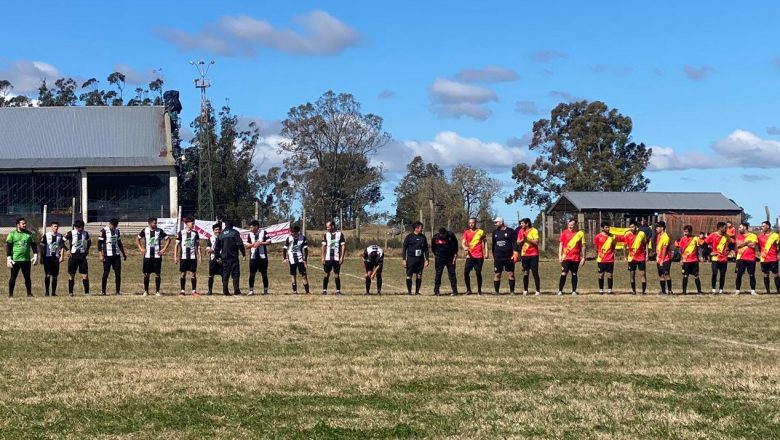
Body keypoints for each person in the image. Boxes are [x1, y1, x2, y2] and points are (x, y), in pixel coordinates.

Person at [136, 217, 170, 296]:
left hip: (157, 256)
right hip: (147, 256)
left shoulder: (159, 231)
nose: (156, 224)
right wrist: (141, 248)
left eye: (156, 223)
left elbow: (168, 239)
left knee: (157, 274)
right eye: (154, 223)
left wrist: (163, 249)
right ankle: (146, 291)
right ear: (149, 223)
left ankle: (157, 291)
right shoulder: (145, 230)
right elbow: (137, 239)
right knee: (146, 274)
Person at [6, 217, 37, 297]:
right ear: (18, 225)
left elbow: (33, 245)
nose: (25, 225)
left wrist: (35, 255)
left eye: (25, 223)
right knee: (13, 277)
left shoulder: (29, 234)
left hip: (26, 260)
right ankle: (10, 294)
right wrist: (8, 258)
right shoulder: (12, 234)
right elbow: (9, 246)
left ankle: (29, 293)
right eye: (23, 223)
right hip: (15, 260)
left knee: (27, 277)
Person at [213, 220, 245, 296]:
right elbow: (240, 244)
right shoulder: (235, 232)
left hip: (224, 258)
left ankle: (225, 291)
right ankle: (236, 291)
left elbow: (217, 248)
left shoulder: (221, 234)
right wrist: (243, 253)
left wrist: (217, 257)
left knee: (225, 275)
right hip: (233, 257)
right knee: (235, 274)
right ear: (232, 226)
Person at [98, 218, 126, 296]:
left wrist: (123, 253)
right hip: (107, 255)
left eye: (115, 226)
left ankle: (117, 291)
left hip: (116, 255)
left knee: (118, 273)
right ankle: (103, 291)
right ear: (109, 224)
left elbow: (119, 243)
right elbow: (99, 244)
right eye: (113, 226)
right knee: (106, 273)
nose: (114, 228)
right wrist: (100, 254)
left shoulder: (117, 231)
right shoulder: (103, 230)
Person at [174, 218, 201, 296]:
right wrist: (175, 256)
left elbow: (198, 245)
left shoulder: (195, 233)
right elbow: (176, 245)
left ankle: (194, 291)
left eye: (193, 223)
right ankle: (182, 291)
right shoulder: (181, 233)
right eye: (191, 223)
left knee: (193, 274)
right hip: (183, 257)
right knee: (183, 273)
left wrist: (200, 255)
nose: (193, 224)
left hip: (193, 257)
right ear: (187, 223)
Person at [558, 218, 585, 295]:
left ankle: (573, 291)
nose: (571, 226)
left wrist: (583, 257)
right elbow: (561, 245)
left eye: (572, 225)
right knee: (564, 273)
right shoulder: (564, 233)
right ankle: (560, 290)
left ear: (576, 225)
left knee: (574, 273)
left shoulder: (580, 234)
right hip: (566, 257)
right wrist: (560, 256)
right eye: (569, 225)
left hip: (576, 258)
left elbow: (583, 246)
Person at [402, 221, 429, 295]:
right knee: (409, 275)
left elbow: (426, 249)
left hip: (420, 259)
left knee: (419, 275)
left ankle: (417, 292)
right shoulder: (409, 237)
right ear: (416, 228)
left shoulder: (423, 237)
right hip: (411, 259)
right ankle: (409, 292)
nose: (422, 229)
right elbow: (404, 248)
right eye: (421, 228)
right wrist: (404, 259)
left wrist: (427, 259)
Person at [65, 219, 91, 296]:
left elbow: (89, 241)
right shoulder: (71, 233)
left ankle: (86, 293)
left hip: (82, 257)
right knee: (71, 275)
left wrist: (87, 249)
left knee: (85, 275)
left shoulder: (85, 233)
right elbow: (61, 241)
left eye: (83, 227)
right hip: (73, 257)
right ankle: (70, 293)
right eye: (80, 227)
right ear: (76, 227)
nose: (82, 228)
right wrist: (67, 250)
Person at [462, 217, 487, 295]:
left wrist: (486, 252)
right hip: (470, 257)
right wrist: (464, 247)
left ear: (475, 223)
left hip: (479, 256)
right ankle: (468, 290)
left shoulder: (481, 232)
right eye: (469, 223)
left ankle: (479, 290)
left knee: (478, 272)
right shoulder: (466, 232)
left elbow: (485, 242)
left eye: (472, 223)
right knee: (466, 272)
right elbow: (463, 242)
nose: (471, 224)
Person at [492, 217, 517, 295]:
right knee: (497, 274)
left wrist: (515, 253)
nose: (495, 224)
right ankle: (496, 291)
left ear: (501, 222)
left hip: (509, 257)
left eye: (496, 222)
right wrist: (494, 254)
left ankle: (512, 291)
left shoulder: (510, 231)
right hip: (498, 257)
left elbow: (514, 243)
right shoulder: (495, 232)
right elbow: (493, 244)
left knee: (511, 274)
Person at [246, 220, 271, 296]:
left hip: (262, 257)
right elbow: (247, 246)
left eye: (251, 227)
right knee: (252, 274)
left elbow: (269, 242)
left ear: (256, 227)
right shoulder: (250, 235)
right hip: (253, 257)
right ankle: (251, 290)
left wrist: (260, 243)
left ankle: (265, 290)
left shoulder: (263, 233)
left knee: (264, 274)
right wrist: (253, 244)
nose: (250, 228)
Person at [321, 220, 346, 295]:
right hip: (328, 258)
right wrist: (323, 257)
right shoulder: (326, 235)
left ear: (332, 226)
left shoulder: (340, 234)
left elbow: (343, 246)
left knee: (336, 274)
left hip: (336, 258)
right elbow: (323, 246)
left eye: (328, 227)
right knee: (326, 274)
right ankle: (324, 290)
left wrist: (342, 257)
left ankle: (338, 291)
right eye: (326, 227)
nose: (327, 228)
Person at [623, 219, 648, 295]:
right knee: (632, 274)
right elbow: (624, 246)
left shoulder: (642, 234)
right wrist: (625, 256)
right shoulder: (627, 235)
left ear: (636, 227)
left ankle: (643, 291)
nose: (631, 228)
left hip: (641, 257)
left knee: (643, 274)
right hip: (631, 258)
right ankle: (634, 291)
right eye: (630, 227)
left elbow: (645, 244)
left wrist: (646, 255)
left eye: (633, 227)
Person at [517, 217, 541, 295]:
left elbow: (536, 242)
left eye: (522, 223)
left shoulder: (534, 230)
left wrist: (527, 238)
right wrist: (522, 240)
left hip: (534, 254)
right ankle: (525, 290)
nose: (521, 225)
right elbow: (518, 242)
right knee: (525, 272)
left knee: (535, 272)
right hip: (524, 255)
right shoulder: (521, 231)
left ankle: (537, 290)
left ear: (527, 224)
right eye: (520, 223)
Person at [40, 220, 64, 296]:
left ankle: (53, 292)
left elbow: (62, 246)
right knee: (47, 275)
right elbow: (42, 246)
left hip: (56, 258)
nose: (56, 228)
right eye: (54, 226)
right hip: (47, 258)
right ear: (51, 227)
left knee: (55, 276)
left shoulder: (60, 236)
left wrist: (62, 256)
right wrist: (41, 257)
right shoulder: (46, 235)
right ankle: (47, 292)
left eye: (57, 226)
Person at [283, 224, 309, 294]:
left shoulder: (303, 238)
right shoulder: (289, 238)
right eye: (290, 232)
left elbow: (306, 249)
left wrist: (305, 260)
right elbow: (285, 248)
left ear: (297, 232)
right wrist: (285, 258)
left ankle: (307, 292)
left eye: (292, 232)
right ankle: (294, 291)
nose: (291, 233)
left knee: (304, 275)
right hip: (292, 260)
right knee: (293, 275)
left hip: (300, 260)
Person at [593, 222, 618, 295]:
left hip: (610, 259)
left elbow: (614, 246)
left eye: (608, 227)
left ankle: (609, 290)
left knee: (610, 275)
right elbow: (596, 248)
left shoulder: (612, 237)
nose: (608, 229)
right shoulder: (598, 236)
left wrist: (612, 254)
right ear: (602, 228)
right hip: (601, 259)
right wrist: (600, 255)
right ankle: (601, 290)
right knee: (601, 274)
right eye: (606, 227)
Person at [704, 222, 729, 294]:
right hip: (715, 258)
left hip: (724, 258)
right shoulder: (713, 235)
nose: (726, 229)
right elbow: (704, 244)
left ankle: (721, 290)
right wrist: (709, 253)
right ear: (720, 228)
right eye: (725, 228)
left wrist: (730, 250)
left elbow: (731, 243)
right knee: (714, 273)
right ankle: (713, 290)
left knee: (722, 274)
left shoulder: (727, 236)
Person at [432, 227, 458, 296]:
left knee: (452, 274)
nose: (443, 237)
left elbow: (455, 246)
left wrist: (455, 256)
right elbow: (433, 248)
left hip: (450, 258)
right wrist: (437, 255)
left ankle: (454, 291)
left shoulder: (451, 236)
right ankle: (436, 291)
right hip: (439, 258)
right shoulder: (435, 237)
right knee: (438, 274)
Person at [677, 225, 703, 294]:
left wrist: (700, 256)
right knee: (685, 275)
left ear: (690, 231)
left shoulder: (695, 238)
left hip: (694, 260)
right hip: (686, 261)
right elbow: (680, 250)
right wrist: (681, 259)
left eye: (687, 231)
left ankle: (699, 291)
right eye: (684, 231)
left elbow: (699, 248)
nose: (685, 233)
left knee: (696, 275)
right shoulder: (682, 239)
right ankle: (684, 291)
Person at [734, 222, 758, 295]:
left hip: (751, 258)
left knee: (751, 274)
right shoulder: (738, 236)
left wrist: (743, 243)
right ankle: (737, 290)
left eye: (740, 227)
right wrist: (748, 242)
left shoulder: (753, 235)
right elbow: (738, 245)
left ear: (745, 227)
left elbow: (753, 245)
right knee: (739, 275)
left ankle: (753, 291)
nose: (739, 229)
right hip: (740, 258)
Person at [757, 221, 780, 294]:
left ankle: (778, 291)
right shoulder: (760, 236)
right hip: (764, 259)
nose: (762, 227)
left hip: (773, 258)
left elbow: (778, 247)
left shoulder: (776, 235)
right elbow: (759, 247)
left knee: (776, 274)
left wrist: (778, 254)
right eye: (761, 226)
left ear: (768, 227)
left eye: (763, 226)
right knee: (765, 274)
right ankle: (768, 291)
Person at [655, 221, 674, 295]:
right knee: (661, 275)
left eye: (658, 227)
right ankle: (663, 291)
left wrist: (662, 260)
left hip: (665, 259)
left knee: (666, 274)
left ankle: (670, 290)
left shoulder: (665, 237)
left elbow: (665, 250)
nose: (656, 229)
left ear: (662, 228)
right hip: (659, 258)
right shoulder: (658, 236)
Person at [205, 223, 222, 296]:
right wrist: (217, 251)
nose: (217, 231)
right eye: (216, 230)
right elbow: (208, 250)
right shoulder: (210, 238)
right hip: (213, 259)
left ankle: (225, 290)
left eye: (219, 230)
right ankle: (209, 290)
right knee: (211, 275)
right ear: (213, 230)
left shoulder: (223, 238)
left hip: (221, 259)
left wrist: (214, 250)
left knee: (224, 275)